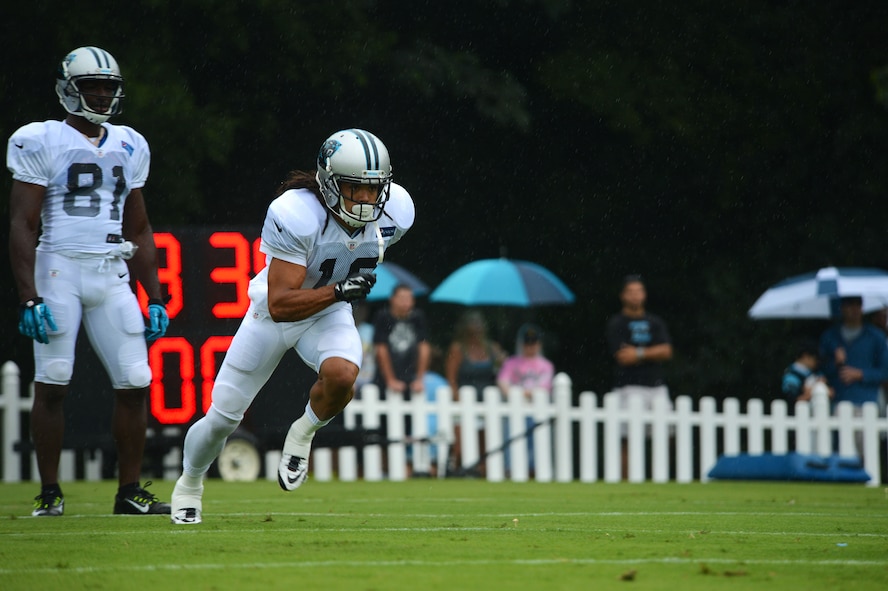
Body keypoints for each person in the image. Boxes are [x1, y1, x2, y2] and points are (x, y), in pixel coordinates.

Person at [170, 128, 414, 524]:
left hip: (328, 313)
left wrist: (337, 295)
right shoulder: (296, 214)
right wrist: (338, 292)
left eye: (374, 188)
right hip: (273, 316)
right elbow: (281, 302)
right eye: (355, 188)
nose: (367, 199)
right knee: (223, 418)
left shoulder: (397, 212)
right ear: (330, 183)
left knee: (342, 375)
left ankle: (301, 434)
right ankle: (190, 484)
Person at [7, 46, 170, 516]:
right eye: (90, 86)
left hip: (112, 270)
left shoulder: (131, 142)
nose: (100, 94)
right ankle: (50, 491)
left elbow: (138, 227)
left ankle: (129, 492)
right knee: (53, 379)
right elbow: (22, 223)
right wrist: (28, 296)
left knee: (136, 379)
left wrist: (154, 295)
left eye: (108, 87)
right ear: (68, 88)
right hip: (58, 267)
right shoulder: (41, 139)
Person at [605, 275, 673, 479]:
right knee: (628, 439)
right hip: (629, 387)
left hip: (656, 387)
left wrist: (639, 353)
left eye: (639, 291)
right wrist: (652, 352)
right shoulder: (617, 323)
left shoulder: (655, 322)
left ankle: (659, 479)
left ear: (644, 294)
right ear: (623, 296)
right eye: (631, 291)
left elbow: (667, 351)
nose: (635, 295)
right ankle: (627, 483)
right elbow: (623, 356)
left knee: (666, 436)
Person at [444, 310, 505, 475]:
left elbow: (502, 374)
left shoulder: (492, 348)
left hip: (488, 404)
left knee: (486, 446)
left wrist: (501, 361)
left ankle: (483, 475)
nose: (476, 327)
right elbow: (451, 378)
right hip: (463, 403)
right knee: (460, 446)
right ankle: (457, 474)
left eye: (479, 323)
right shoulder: (458, 349)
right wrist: (458, 400)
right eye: (472, 323)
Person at [497, 324, 555, 474]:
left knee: (536, 444)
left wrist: (518, 392)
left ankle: (534, 470)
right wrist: (522, 394)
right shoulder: (511, 363)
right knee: (512, 441)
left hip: (536, 411)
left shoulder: (546, 365)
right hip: (515, 411)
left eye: (533, 342)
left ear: (539, 343)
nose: (530, 346)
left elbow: (544, 387)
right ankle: (510, 469)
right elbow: (503, 382)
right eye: (527, 342)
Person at [819, 296, 888, 412]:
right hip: (838, 400)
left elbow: (885, 371)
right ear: (842, 308)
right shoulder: (830, 337)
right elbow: (821, 370)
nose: (854, 309)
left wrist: (860, 374)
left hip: (868, 401)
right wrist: (835, 363)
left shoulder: (876, 337)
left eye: (858, 305)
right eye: (850, 305)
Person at [373, 283, 430, 397]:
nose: (406, 302)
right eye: (402, 298)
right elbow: (381, 349)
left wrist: (419, 378)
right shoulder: (383, 317)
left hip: (411, 377)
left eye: (409, 298)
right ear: (392, 299)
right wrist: (390, 379)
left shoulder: (417, 317)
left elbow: (424, 348)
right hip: (384, 379)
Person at [781, 338, 832, 409]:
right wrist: (812, 392)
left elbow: (832, 392)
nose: (817, 362)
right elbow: (792, 400)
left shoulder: (817, 373)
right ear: (805, 356)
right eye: (815, 359)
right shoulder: (791, 375)